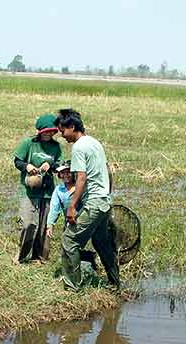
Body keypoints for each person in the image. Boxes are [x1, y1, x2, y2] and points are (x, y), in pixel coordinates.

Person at [53, 108, 119, 290]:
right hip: (104, 201)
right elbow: (105, 172)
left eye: (63, 130)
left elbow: (81, 178)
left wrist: (72, 206)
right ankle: (115, 284)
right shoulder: (95, 143)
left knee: (69, 240)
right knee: (101, 242)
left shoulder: (79, 147)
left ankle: (73, 287)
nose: (62, 135)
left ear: (72, 127)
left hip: (94, 204)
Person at [13, 113, 62, 264]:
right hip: (30, 190)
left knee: (44, 225)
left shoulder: (56, 147)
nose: (48, 134)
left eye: (51, 131)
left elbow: (59, 167)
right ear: (40, 131)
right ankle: (21, 257)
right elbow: (17, 161)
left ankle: (40, 257)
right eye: (46, 131)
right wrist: (27, 166)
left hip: (48, 191)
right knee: (29, 224)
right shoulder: (29, 143)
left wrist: (52, 165)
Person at [46, 161, 98, 270]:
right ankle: (87, 259)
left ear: (74, 173)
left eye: (68, 172)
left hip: (84, 220)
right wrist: (50, 224)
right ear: (59, 175)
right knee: (67, 248)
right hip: (69, 221)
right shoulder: (59, 190)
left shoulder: (81, 187)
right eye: (62, 173)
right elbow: (54, 208)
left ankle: (87, 265)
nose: (66, 175)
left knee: (77, 244)